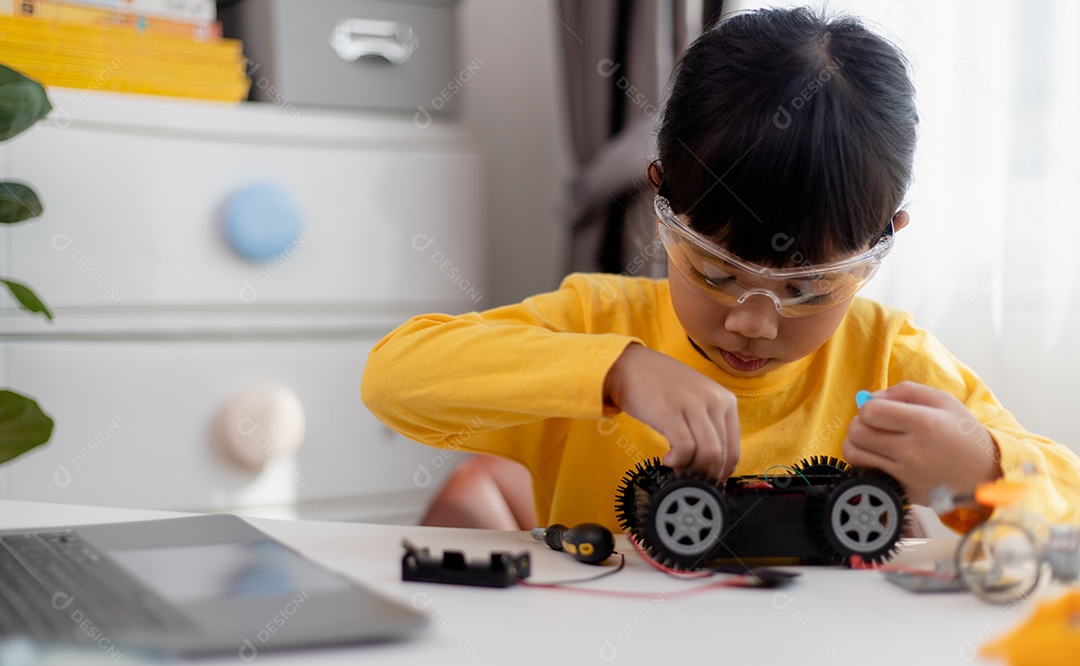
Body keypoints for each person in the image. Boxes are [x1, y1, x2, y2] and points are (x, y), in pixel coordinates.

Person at [363, 6, 1080, 534]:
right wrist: (615, 372)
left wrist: (982, 470)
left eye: (805, 289)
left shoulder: (889, 360)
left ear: (883, 243)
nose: (752, 322)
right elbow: (392, 379)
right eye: (714, 271)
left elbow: (1068, 513)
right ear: (662, 202)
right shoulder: (597, 324)